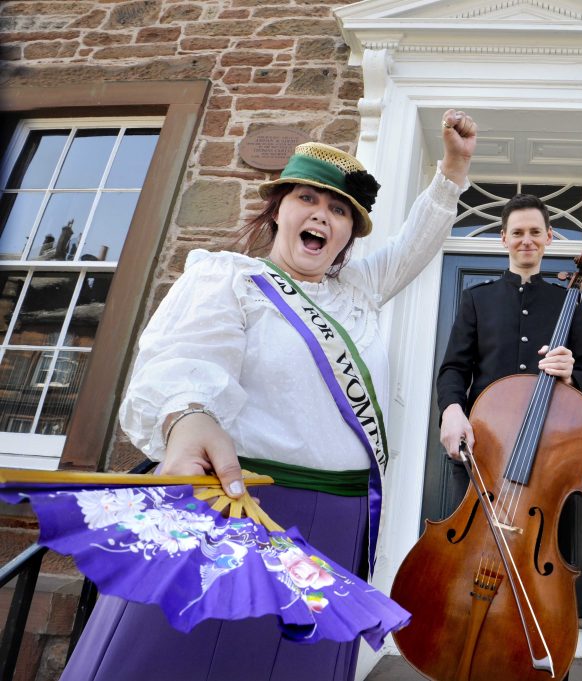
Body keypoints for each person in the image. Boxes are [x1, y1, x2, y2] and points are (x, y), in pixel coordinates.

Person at [61, 109, 477, 681]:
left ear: (349, 234)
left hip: (339, 521)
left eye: (339, 211)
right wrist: (186, 419)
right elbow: (186, 361)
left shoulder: (356, 291)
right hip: (240, 508)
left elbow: (414, 245)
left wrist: (452, 170)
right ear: (278, 207)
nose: (322, 216)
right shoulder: (232, 279)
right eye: (309, 198)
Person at [436, 193, 582, 462]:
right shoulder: (477, 299)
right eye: (518, 232)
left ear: (548, 237)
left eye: (535, 231)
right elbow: (454, 368)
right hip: (484, 441)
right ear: (504, 238)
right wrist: (451, 410)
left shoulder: (568, 302)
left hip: (551, 446)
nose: (527, 240)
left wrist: (571, 377)